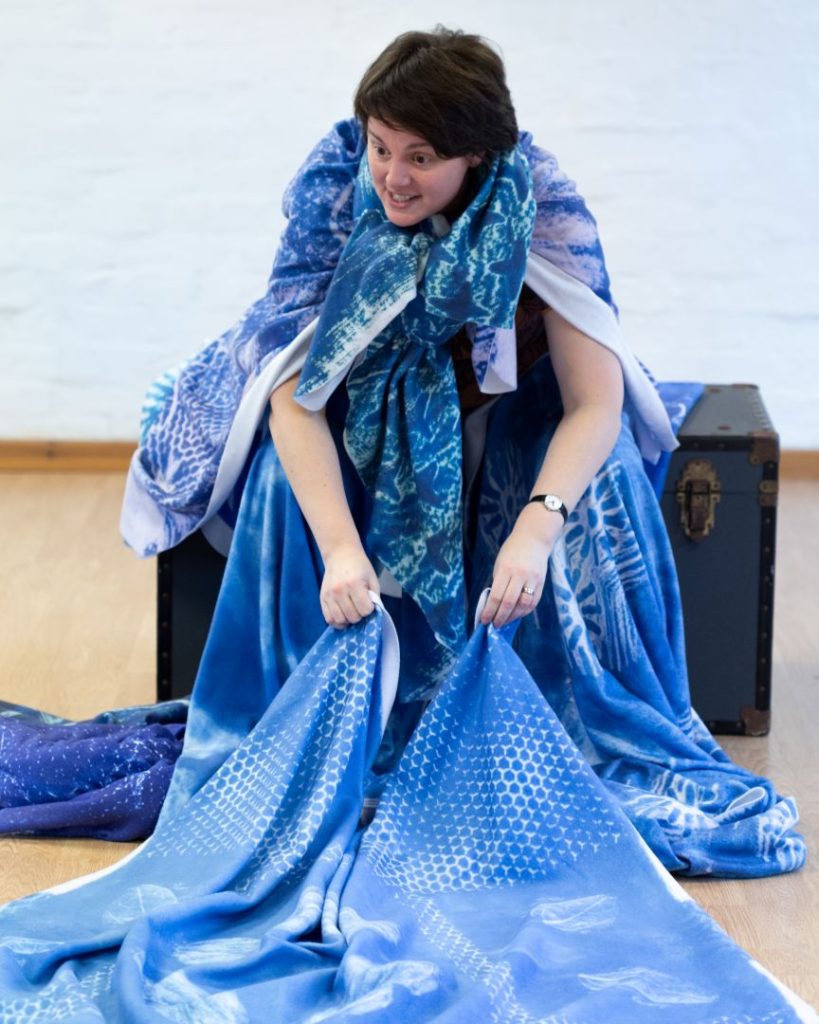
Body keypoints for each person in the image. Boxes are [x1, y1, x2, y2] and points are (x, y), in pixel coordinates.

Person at [0, 26, 813, 1024]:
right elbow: (295, 395)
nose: (392, 174)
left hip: (516, 414)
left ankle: (543, 706)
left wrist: (534, 530)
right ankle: (348, 714)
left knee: (590, 489)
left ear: (478, 155)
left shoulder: (537, 207)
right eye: (382, 144)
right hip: (356, 407)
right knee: (280, 482)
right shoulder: (339, 194)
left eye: (421, 157)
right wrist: (342, 550)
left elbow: (596, 402)